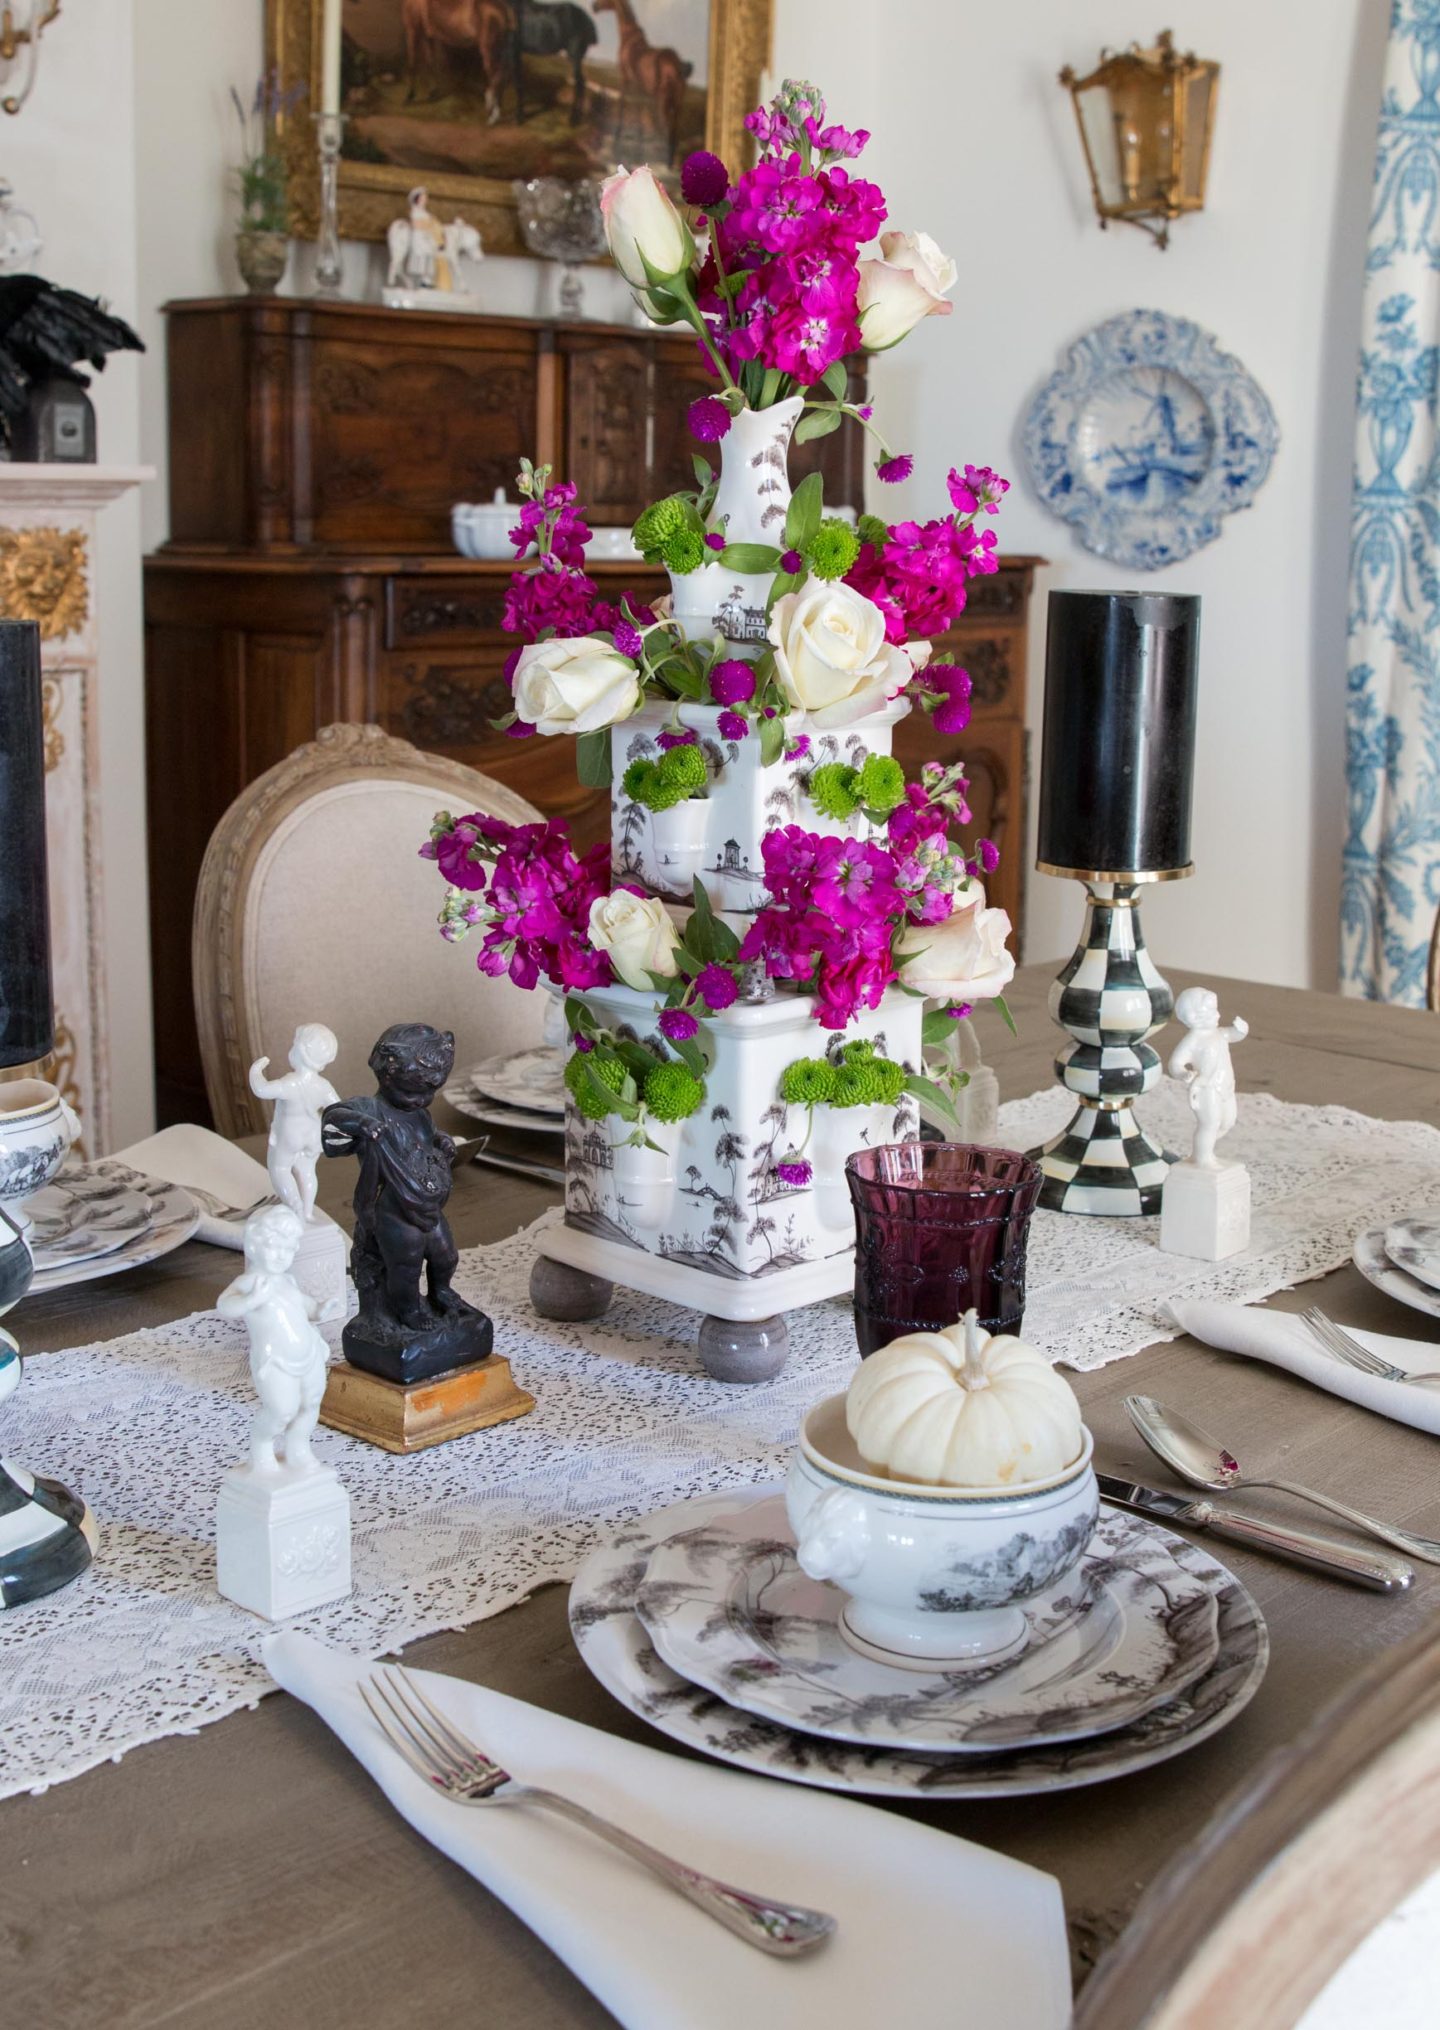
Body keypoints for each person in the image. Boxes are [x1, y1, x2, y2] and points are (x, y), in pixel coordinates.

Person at [217, 1204, 339, 1476]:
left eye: (288, 1249)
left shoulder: (287, 1281)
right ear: (253, 1246)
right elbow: (225, 1306)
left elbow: (303, 1306)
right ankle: (261, 1447)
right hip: (275, 1361)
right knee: (281, 1410)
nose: (280, 1256)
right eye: (274, 1247)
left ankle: (298, 1448)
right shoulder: (249, 1282)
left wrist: (319, 1309)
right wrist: (251, 1300)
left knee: (310, 1404)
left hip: (308, 1354)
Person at [249, 1024, 340, 1225]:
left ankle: (295, 1206)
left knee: (279, 1169)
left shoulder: (290, 1083)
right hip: (313, 1134)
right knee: (307, 1171)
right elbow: (339, 1109)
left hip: (290, 1134)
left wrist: (256, 1070)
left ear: (299, 1051)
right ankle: (307, 1212)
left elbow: (262, 1090)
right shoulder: (323, 1085)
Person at [1168, 987, 1248, 1169]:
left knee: (1228, 1121)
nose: (1218, 1015)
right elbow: (1175, 1063)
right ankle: (1202, 1159)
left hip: (1226, 1086)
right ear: (1193, 1017)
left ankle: (1201, 1150)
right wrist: (1183, 1073)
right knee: (1209, 1123)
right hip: (1206, 1088)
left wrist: (1241, 1030)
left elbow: (1232, 1035)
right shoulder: (1193, 1040)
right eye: (1211, 1011)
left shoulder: (1219, 1033)